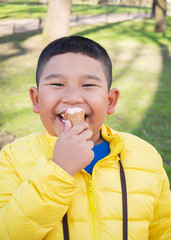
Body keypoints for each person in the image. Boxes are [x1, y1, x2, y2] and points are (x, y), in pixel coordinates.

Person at [0, 36, 170, 240]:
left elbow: (163, 231)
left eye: (88, 85)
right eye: (57, 84)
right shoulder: (12, 158)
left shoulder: (145, 157)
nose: (72, 97)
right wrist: (59, 170)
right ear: (36, 99)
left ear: (110, 101)